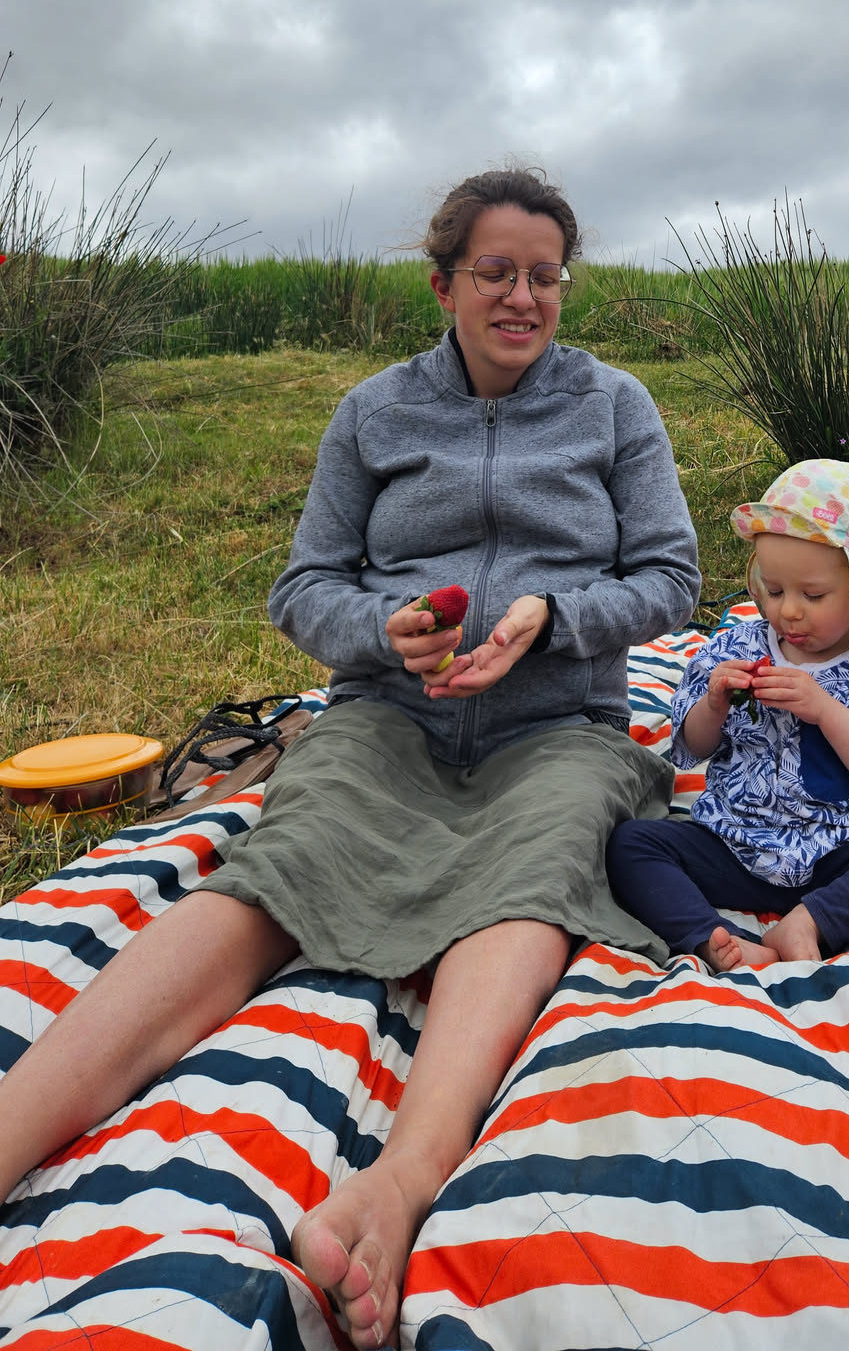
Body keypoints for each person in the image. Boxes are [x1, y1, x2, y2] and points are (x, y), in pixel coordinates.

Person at [0, 168, 701, 1350]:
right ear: (443, 284)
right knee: (281, 863)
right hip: (387, 715)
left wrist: (550, 621)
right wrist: (384, 631)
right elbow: (305, 588)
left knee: (536, 871)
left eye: (545, 276)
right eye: (496, 272)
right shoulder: (375, 412)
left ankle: (402, 1181)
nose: (523, 297)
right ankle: (13, 1126)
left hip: (559, 725)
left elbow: (671, 580)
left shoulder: (616, 406)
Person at [607, 459, 849, 972]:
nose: (789, 611)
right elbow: (694, 747)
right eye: (774, 591)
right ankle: (716, 939)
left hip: (844, 851)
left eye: (812, 595)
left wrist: (827, 711)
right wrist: (713, 704)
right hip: (735, 842)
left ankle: (812, 920)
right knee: (631, 844)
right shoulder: (738, 647)